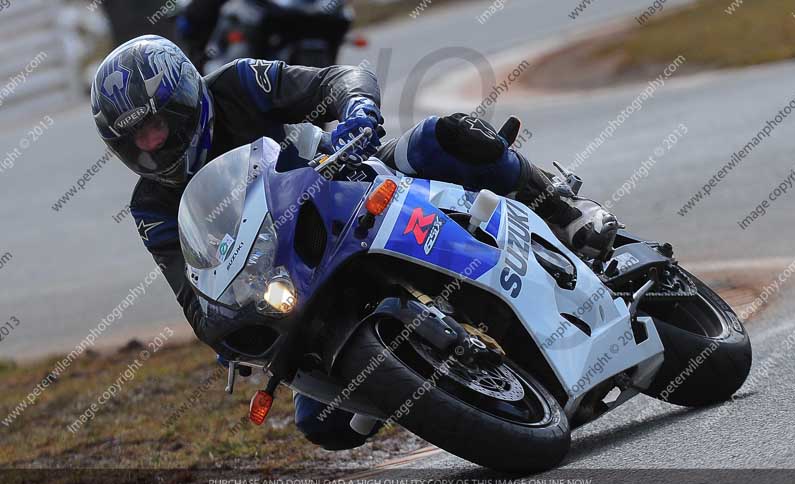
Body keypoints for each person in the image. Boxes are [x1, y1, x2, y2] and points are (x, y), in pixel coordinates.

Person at [91, 36, 619, 450]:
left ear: (185, 99)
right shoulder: (151, 208)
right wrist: (226, 331)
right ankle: (440, 387)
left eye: (157, 127)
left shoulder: (239, 84)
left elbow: (340, 78)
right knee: (325, 422)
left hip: (348, 185)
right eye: (136, 139)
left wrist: (357, 110)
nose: (151, 145)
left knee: (445, 137)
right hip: (290, 274)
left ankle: (561, 208)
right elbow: (193, 296)